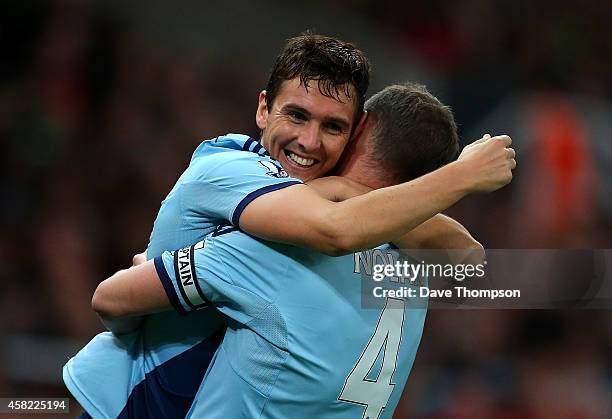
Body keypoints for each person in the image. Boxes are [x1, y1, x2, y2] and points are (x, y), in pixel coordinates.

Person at [64, 33, 514, 418]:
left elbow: (112, 298)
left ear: (356, 132)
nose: (309, 141)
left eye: (332, 127)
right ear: (263, 109)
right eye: (296, 115)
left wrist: (153, 285)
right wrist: (460, 176)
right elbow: (461, 261)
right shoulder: (229, 169)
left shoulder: (274, 250)